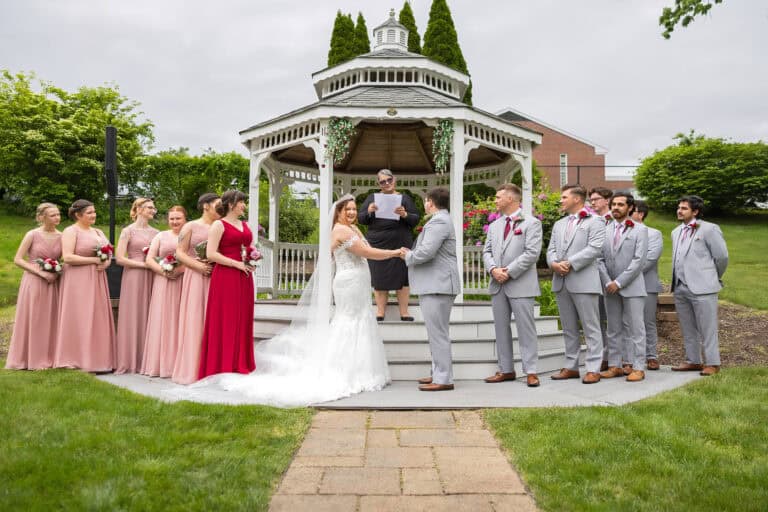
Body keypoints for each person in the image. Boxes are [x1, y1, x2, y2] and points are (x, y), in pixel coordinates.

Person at [164, 194, 398, 406]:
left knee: (359, 320)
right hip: (346, 281)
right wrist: (394, 253)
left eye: (354, 209)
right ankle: (345, 369)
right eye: (347, 209)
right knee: (349, 321)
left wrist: (251, 257)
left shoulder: (355, 229)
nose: (352, 212)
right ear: (337, 212)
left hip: (353, 281)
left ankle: (360, 367)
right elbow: (365, 253)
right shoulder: (341, 231)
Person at [482, 184, 543, 387]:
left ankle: (531, 371)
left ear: (511, 199)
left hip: (520, 284)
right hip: (497, 284)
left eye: (499, 197)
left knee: (526, 329)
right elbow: (486, 252)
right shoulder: (494, 225)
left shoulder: (531, 223)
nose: (495, 200)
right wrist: (493, 270)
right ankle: (506, 369)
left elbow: (532, 253)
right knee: (501, 328)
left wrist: (507, 272)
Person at [401, 187, 460, 392]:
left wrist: (407, 255)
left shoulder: (439, 221)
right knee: (436, 332)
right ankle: (438, 372)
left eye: (425, 201)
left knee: (438, 333)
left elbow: (426, 252)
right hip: (436, 284)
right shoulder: (439, 220)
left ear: (430, 202)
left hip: (439, 285)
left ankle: (444, 379)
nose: (425, 204)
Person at [546, 185, 606, 384]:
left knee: (591, 327)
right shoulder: (559, 224)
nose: (561, 200)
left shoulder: (596, 221)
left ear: (577, 199)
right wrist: (554, 263)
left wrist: (570, 263)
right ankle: (571, 366)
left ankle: (593, 368)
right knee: (569, 328)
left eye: (564, 197)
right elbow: (551, 249)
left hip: (584, 281)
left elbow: (595, 248)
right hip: (561, 281)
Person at [197, 190, 256, 378]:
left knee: (242, 317)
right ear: (231, 204)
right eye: (241, 202)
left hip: (244, 277)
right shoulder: (218, 225)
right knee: (227, 318)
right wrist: (235, 263)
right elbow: (211, 254)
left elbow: (248, 247)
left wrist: (252, 259)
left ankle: (241, 362)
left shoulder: (244, 225)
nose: (244, 206)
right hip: (226, 276)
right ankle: (223, 364)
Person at [53, 199, 115, 372]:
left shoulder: (98, 232)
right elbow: (68, 257)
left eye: (94, 212)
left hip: (97, 279)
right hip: (77, 280)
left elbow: (109, 252)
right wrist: (95, 260)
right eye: (89, 213)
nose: (94, 215)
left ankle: (98, 359)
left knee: (97, 316)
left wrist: (107, 262)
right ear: (78, 215)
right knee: (79, 316)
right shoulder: (70, 231)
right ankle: (74, 358)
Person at [670, 195, 728, 376]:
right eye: (679, 207)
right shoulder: (675, 232)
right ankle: (693, 360)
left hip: (703, 287)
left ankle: (713, 362)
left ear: (695, 211)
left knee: (707, 327)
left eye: (684, 208)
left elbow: (722, 257)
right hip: (680, 286)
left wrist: (712, 277)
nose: (680, 210)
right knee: (687, 327)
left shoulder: (710, 229)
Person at [597, 192, 649, 382]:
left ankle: (638, 367)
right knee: (613, 328)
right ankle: (615, 365)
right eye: (613, 204)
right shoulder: (605, 228)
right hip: (609, 287)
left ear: (630, 208)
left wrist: (619, 282)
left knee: (636, 328)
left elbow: (639, 261)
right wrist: (607, 281)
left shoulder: (640, 230)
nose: (615, 208)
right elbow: (599, 258)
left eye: (620, 204)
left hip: (632, 287)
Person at [358, 169, 420, 321]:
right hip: (377, 242)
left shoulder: (404, 198)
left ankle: (404, 312)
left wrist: (405, 215)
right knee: (379, 276)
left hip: (400, 241)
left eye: (389, 180)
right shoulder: (372, 198)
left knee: (403, 277)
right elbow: (361, 218)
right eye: (382, 182)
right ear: (378, 183)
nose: (386, 184)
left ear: (394, 180)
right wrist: (369, 211)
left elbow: (415, 219)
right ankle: (380, 312)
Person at [6, 203, 62, 370]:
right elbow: (18, 259)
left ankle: (52, 357)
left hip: (53, 281)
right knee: (35, 317)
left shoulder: (63, 236)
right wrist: (40, 272)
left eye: (58, 214)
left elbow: (66, 259)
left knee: (52, 318)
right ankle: (30, 358)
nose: (57, 217)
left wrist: (56, 272)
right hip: (34, 280)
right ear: (41, 217)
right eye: (52, 215)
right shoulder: (32, 234)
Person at [171, 193, 220, 384]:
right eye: (218, 204)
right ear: (206, 206)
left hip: (217, 276)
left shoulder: (221, 226)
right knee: (195, 318)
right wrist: (198, 266)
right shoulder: (190, 226)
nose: (221, 208)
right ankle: (192, 368)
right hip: (195, 276)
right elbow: (180, 253)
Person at [141, 206, 187, 377]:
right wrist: (165, 272)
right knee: (163, 318)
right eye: (172, 219)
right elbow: (149, 259)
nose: (175, 222)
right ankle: (161, 364)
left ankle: (180, 362)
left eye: (178, 218)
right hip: (163, 281)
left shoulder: (188, 235)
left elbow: (193, 257)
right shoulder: (160, 236)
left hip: (184, 280)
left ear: (185, 219)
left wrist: (180, 270)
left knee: (181, 319)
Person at [115, 197, 159, 374]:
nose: (152, 210)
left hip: (153, 275)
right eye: (149, 207)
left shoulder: (156, 233)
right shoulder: (128, 231)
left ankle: (148, 358)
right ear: (139, 209)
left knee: (150, 312)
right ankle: (130, 358)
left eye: (153, 208)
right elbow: (119, 258)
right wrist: (143, 264)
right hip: (134, 275)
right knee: (134, 313)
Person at [631, 200, 663, 370]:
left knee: (647, 321)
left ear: (640, 214)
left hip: (646, 284)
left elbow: (650, 259)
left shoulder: (654, 234)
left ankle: (651, 356)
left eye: (632, 211)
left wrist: (625, 275)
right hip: (623, 285)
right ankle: (629, 357)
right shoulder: (621, 232)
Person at [589, 186, 614, 371]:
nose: (592, 202)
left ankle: (618, 357)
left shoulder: (617, 221)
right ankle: (603, 356)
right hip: (591, 277)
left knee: (615, 320)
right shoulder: (589, 221)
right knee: (597, 319)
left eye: (596, 199)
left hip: (613, 278)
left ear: (607, 200)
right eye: (591, 199)